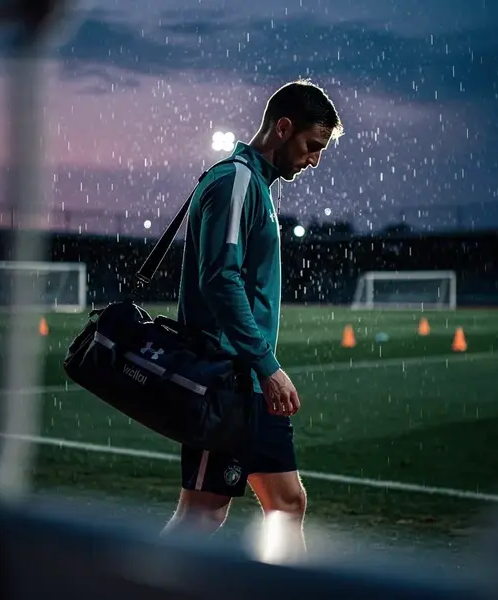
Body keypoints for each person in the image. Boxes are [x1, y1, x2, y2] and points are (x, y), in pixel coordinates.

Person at [162, 79, 344, 558]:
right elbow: (221, 280)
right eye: (311, 146)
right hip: (225, 379)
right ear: (283, 128)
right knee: (203, 514)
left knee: (286, 503)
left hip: (246, 380)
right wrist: (267, 365)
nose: (314, 160)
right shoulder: (236, 180)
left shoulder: (254, 185)